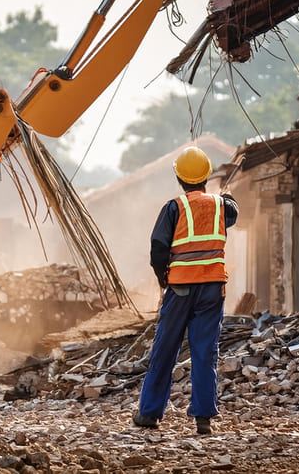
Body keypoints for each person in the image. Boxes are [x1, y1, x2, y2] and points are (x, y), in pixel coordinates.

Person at [133, 146, 238, 435]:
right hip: (212, 290)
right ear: (207, 176)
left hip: (180, 289)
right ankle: (203, 418)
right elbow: (233, 212)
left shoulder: (173, 208)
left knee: (165, 350)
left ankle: (149, 413)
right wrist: (226, 197)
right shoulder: (221, 206)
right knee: (205, 352)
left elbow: (158, 249)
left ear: (179, 178)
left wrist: (162, 277)